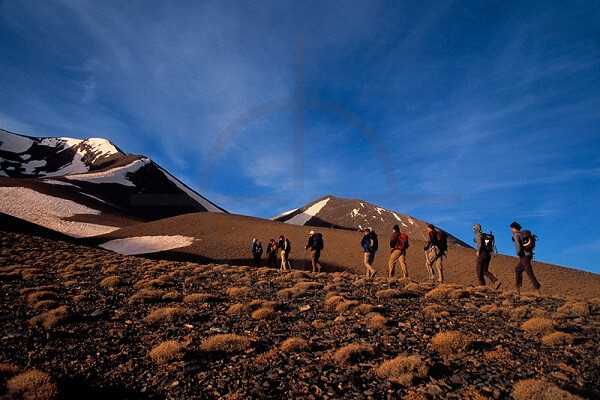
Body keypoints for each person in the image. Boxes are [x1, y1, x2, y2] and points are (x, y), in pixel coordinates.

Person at [510, 221, 541, 295]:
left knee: (529, 271)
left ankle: (537, 288)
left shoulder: (516, 235)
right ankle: (518, 287)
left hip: (524, 256)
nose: (511, 230)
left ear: (514, 228)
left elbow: (518, 246)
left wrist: (518, 253)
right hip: (529, 254)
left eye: (511, 229)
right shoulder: (522, 234)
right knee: (518, 269)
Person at [473, 223, 501, 289]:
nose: (474, 230)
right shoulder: (485, 236)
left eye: (474, 228)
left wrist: (478, 252)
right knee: (484, 270)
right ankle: (495, 281)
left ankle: (482, 286)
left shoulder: (478, 234)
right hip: (488, 255)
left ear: (476, 228)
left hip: (482, 253)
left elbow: (479, 243)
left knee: (479, 270)